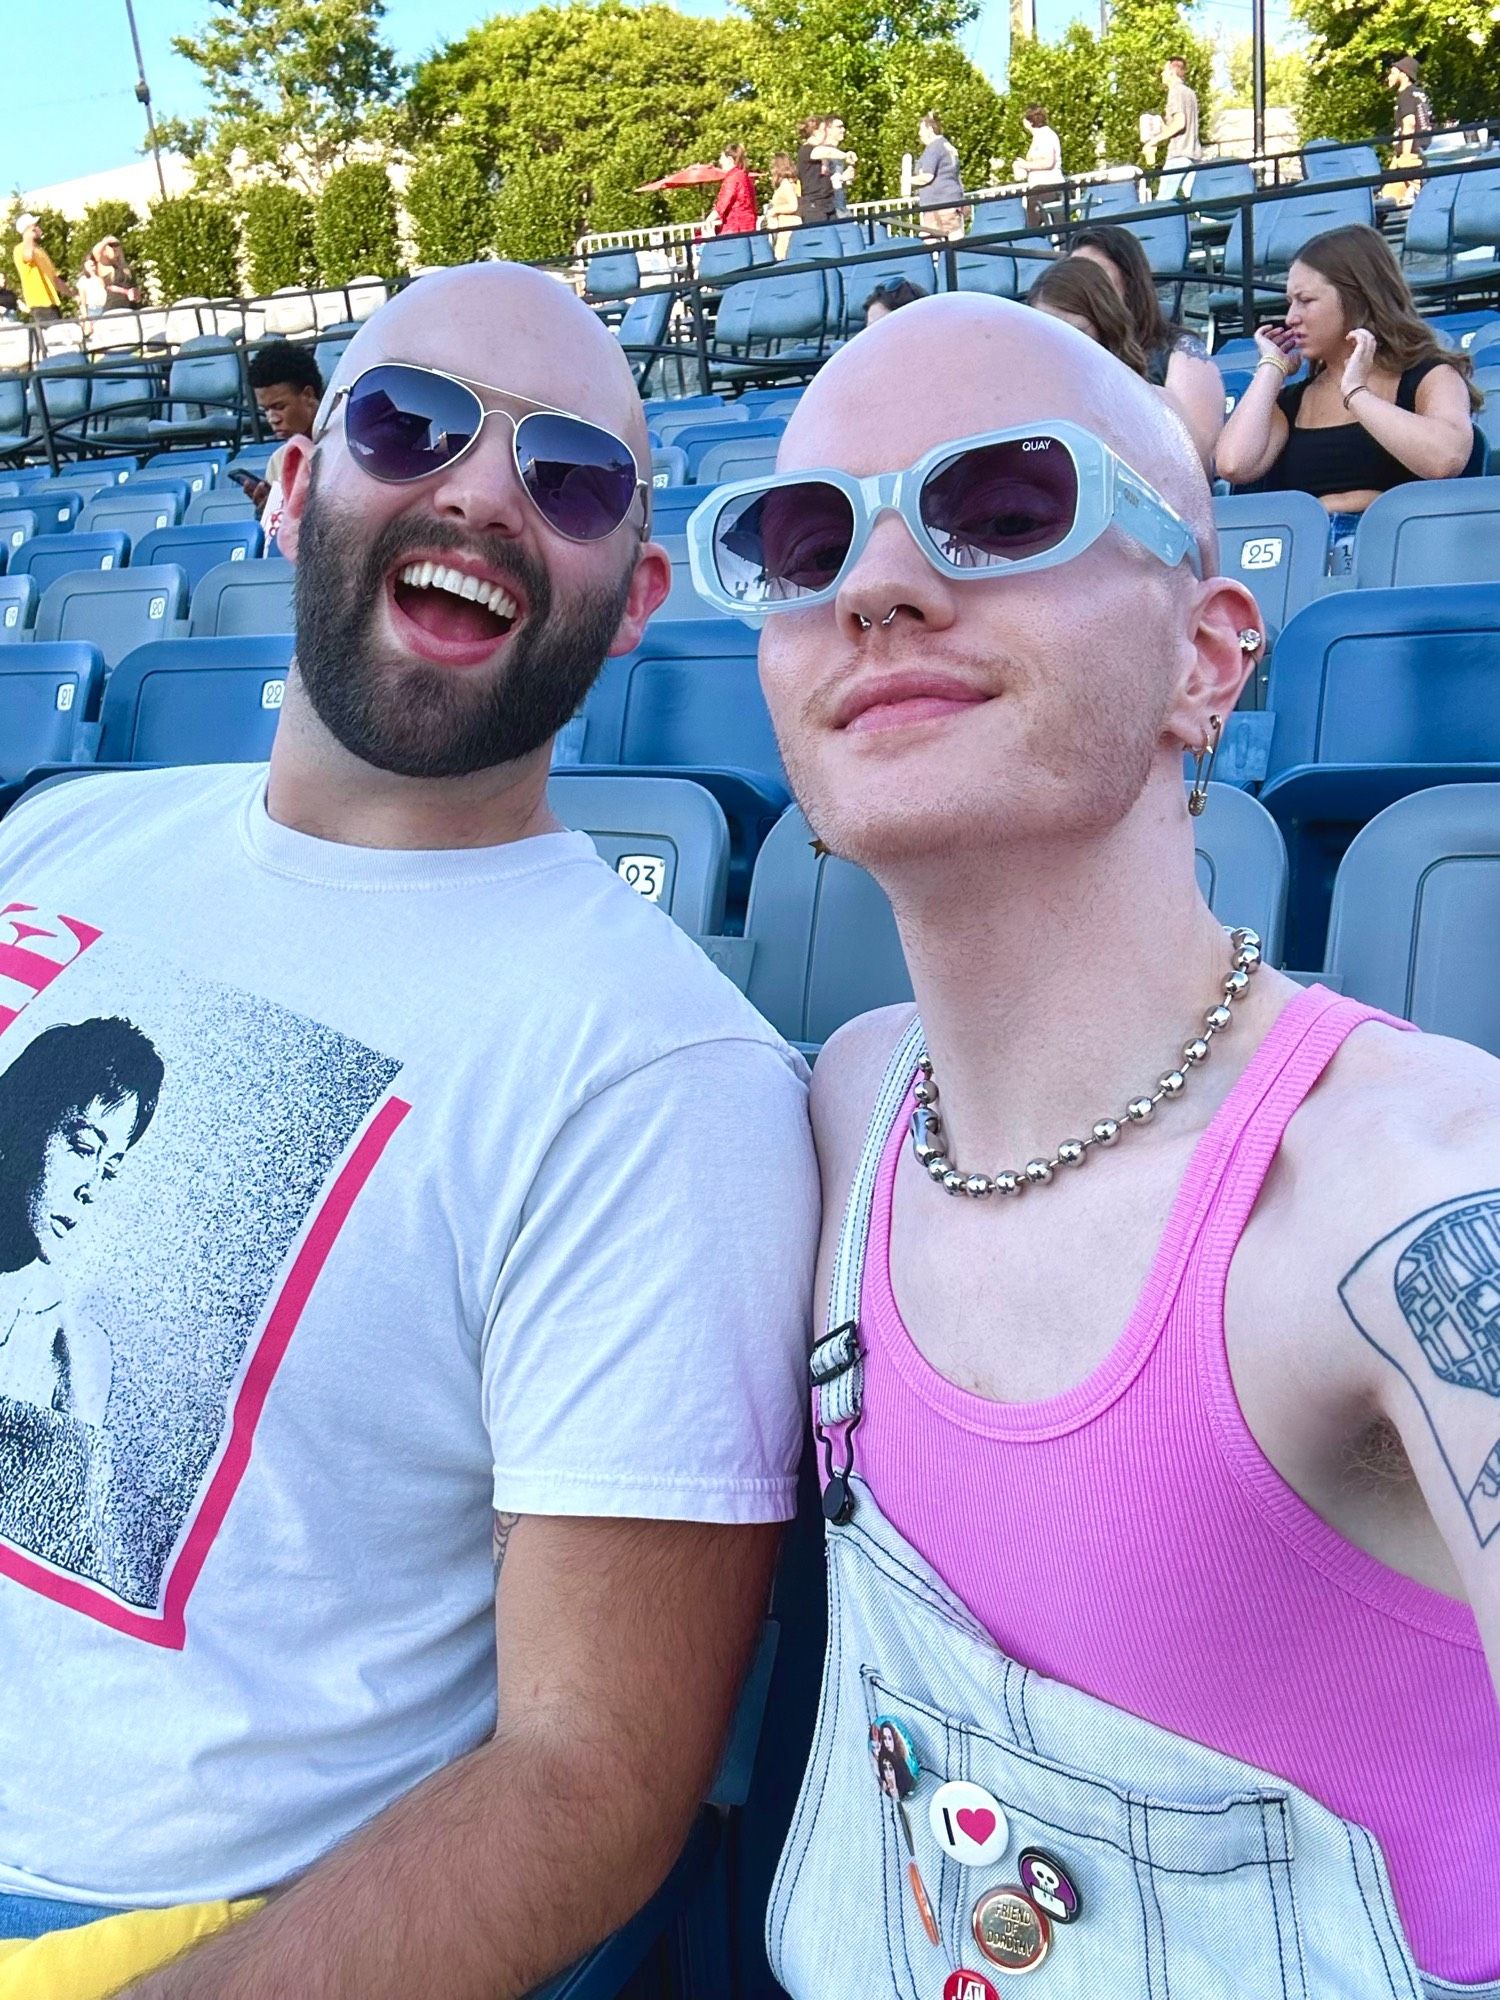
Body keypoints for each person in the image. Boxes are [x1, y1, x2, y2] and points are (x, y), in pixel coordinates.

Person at [0, 261, 816, 1994]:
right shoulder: (57, 842)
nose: (480, 490)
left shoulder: (663, 1080)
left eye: (571, 475)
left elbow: (589, 1778)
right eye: (409, 422)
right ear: (295, 480)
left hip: (130, 1925)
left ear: (641, 590)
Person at [687, 291, 1500, 1995]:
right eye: (803, 536)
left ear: (1209, 653)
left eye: (1003, 508)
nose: (876, 587)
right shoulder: (837, 1112)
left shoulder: (1408, 1199)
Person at [1217, 223, 1479, 571]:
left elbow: (1445, 460)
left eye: (1306, 300)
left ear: (1356, 299)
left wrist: (1356, 392)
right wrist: (1271, 368)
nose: (1291, 317)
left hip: (1401, 558)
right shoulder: (1294, 400)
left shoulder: (1430, 376)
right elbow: (1233, 464)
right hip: (1306, 560)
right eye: (1290, 302)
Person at [0, 1017, 164, 1427]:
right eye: (83, 1148)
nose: (90, 1187)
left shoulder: (74, 1352)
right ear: (20, 1126)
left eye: (109, 1170)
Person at [1071, 221, 1225, 467]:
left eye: (1097, 274)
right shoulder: (1070, 357)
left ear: (1130, 281)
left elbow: (1196, 461)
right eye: (1076, 275)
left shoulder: (1181, 351)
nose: (1085, 286)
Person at [245, 341, 325, 547]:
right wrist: (268, 510)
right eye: (266, 410)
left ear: (308, 395)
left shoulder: (349, 445)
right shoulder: (278, 461)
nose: (272, 418)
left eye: (279, 407)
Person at [1028, 257, 1149, 376]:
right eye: (1047, 334)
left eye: (1075, 334)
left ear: (1104, 325)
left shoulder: (1132, 386)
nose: (1060, 349)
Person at [1146, 57, 1200, 197]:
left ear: (1172, 72)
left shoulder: (1175, 92)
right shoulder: (1190, 93)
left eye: (1164, 70)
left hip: (1178, 154)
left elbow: (1180, 123)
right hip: (1193, 155)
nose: (1162, 74)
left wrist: (1155, 140)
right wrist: (1161, 125)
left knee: (1163, 202)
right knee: (1197, 200)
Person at [911, 112, 965, 244]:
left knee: (932, 241)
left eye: (921, 129)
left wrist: (907, 181)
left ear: (930, 129)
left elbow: (927, 177)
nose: (919, 134)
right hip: (952, 200)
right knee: (955, 239)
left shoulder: (934, 148)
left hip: (938, 204)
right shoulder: (947, 146)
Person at [1385, 56, 1433, 205]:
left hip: (1410, 154)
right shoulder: (1419, 94)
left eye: (1393, 73)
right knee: (1388, 195)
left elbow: (1409, 123)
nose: (1389, 77)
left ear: (1403, 74)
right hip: (1421, 150)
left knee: (1393, 199)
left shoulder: (1405, 94)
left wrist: (1405, 157)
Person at [1013, 104, 1064, 227]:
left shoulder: (1045, 135)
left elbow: (1048, 162)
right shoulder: (1040, 136)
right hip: (1043, 187)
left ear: (1028, 121)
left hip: (1047, 187)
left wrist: (1024, 164)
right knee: (1056, 227)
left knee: (1034, 228)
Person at [12, 213, 68, 325]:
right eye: (36, 226)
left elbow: (54, 278)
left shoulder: (40, 251)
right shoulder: (20, 249)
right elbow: (27, 257)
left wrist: (72, 293)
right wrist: (28, 236)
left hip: (51, 302)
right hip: (39, 303)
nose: (39, 228)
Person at [709, 144, 758, 237]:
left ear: (730, 160)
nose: (720, 161)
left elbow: (725, 200)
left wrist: (711, 217)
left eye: (722, 158)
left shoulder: (733, 177)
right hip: (749, 224)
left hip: (735, 226)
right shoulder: (745, 176)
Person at [766, 151, 802, 260]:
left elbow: (793, 205)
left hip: (788, 227)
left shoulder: (786, 184)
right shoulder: (792, 183)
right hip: (786, 226)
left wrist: (774, 210)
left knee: (783, 257)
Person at [94, 235, 141, 310]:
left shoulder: (127, 268)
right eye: (111, 245)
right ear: (105, 250)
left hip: (131, 307)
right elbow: (96, 252)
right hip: (114, 307)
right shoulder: (107, 265)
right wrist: (106, 241)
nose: (114, 247)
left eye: (116, 245)